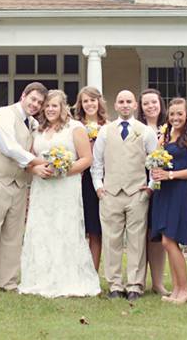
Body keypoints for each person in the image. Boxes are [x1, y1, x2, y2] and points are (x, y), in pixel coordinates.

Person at [19, 90, 100, 297]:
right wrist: (35, 169)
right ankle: (40, 279)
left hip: (66, 186)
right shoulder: (38, 130)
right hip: (42, 187)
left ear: (63, 106)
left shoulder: (75, 128)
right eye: (46, 106)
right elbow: (28, 157)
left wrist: (61, 171)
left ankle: (68, 280)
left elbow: (86, 159)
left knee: (64, 228)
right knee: (42, 229)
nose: (50, 109)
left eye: (54, 105)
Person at [0, 82, 49, 296]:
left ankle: (8, 281)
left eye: (39, 103)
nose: (35, 105)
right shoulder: (4, 114)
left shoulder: (33, 123)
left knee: (13, 236)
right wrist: (36, 162)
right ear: (23, 96)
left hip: (18, 183)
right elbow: (8, 146)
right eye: (32, 99)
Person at [92, 90, 158, 301]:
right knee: (112, 240)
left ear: (135, 105)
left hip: (137, 193)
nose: (125, 105)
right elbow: (97, 162)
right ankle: (114, 284)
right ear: (116, 105)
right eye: (121, 101)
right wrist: (98, 186)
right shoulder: (105, 131)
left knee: (137, 240)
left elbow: (155, 161)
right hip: (110, 193)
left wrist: (150, 187)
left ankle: (135, 285)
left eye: (129, 101)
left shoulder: (145, 131)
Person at [150, 98, 187, 304]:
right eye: (172, 114)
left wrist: (170, 175)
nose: (175, 118)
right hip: (163, 192)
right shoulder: (165, 136)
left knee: (169, 240)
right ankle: (176, 290)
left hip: (179, 191)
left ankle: (185, 289)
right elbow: (157, 158)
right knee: (166, 241)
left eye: (179, 114)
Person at [73, 86, 109, 270]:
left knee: (95, 229)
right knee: (77, 227)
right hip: (77, 178)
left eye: (92, 100)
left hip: (99, 180)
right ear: (80, 104)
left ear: (99, 102)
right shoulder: (74, 125)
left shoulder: (108, 126)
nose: (89, 104)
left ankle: (92, 272)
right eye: (85, 101)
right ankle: (75, 269)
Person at [137, 88, 168, 296]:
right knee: (142, 233)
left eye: (154, 102)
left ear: (160, 104)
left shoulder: (169, 128)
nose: (150, 106)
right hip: (141, 186)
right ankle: (138, 280)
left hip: (165, 186)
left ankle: (158, 282)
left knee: (158, 235)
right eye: (146, 103)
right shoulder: (136, 128)